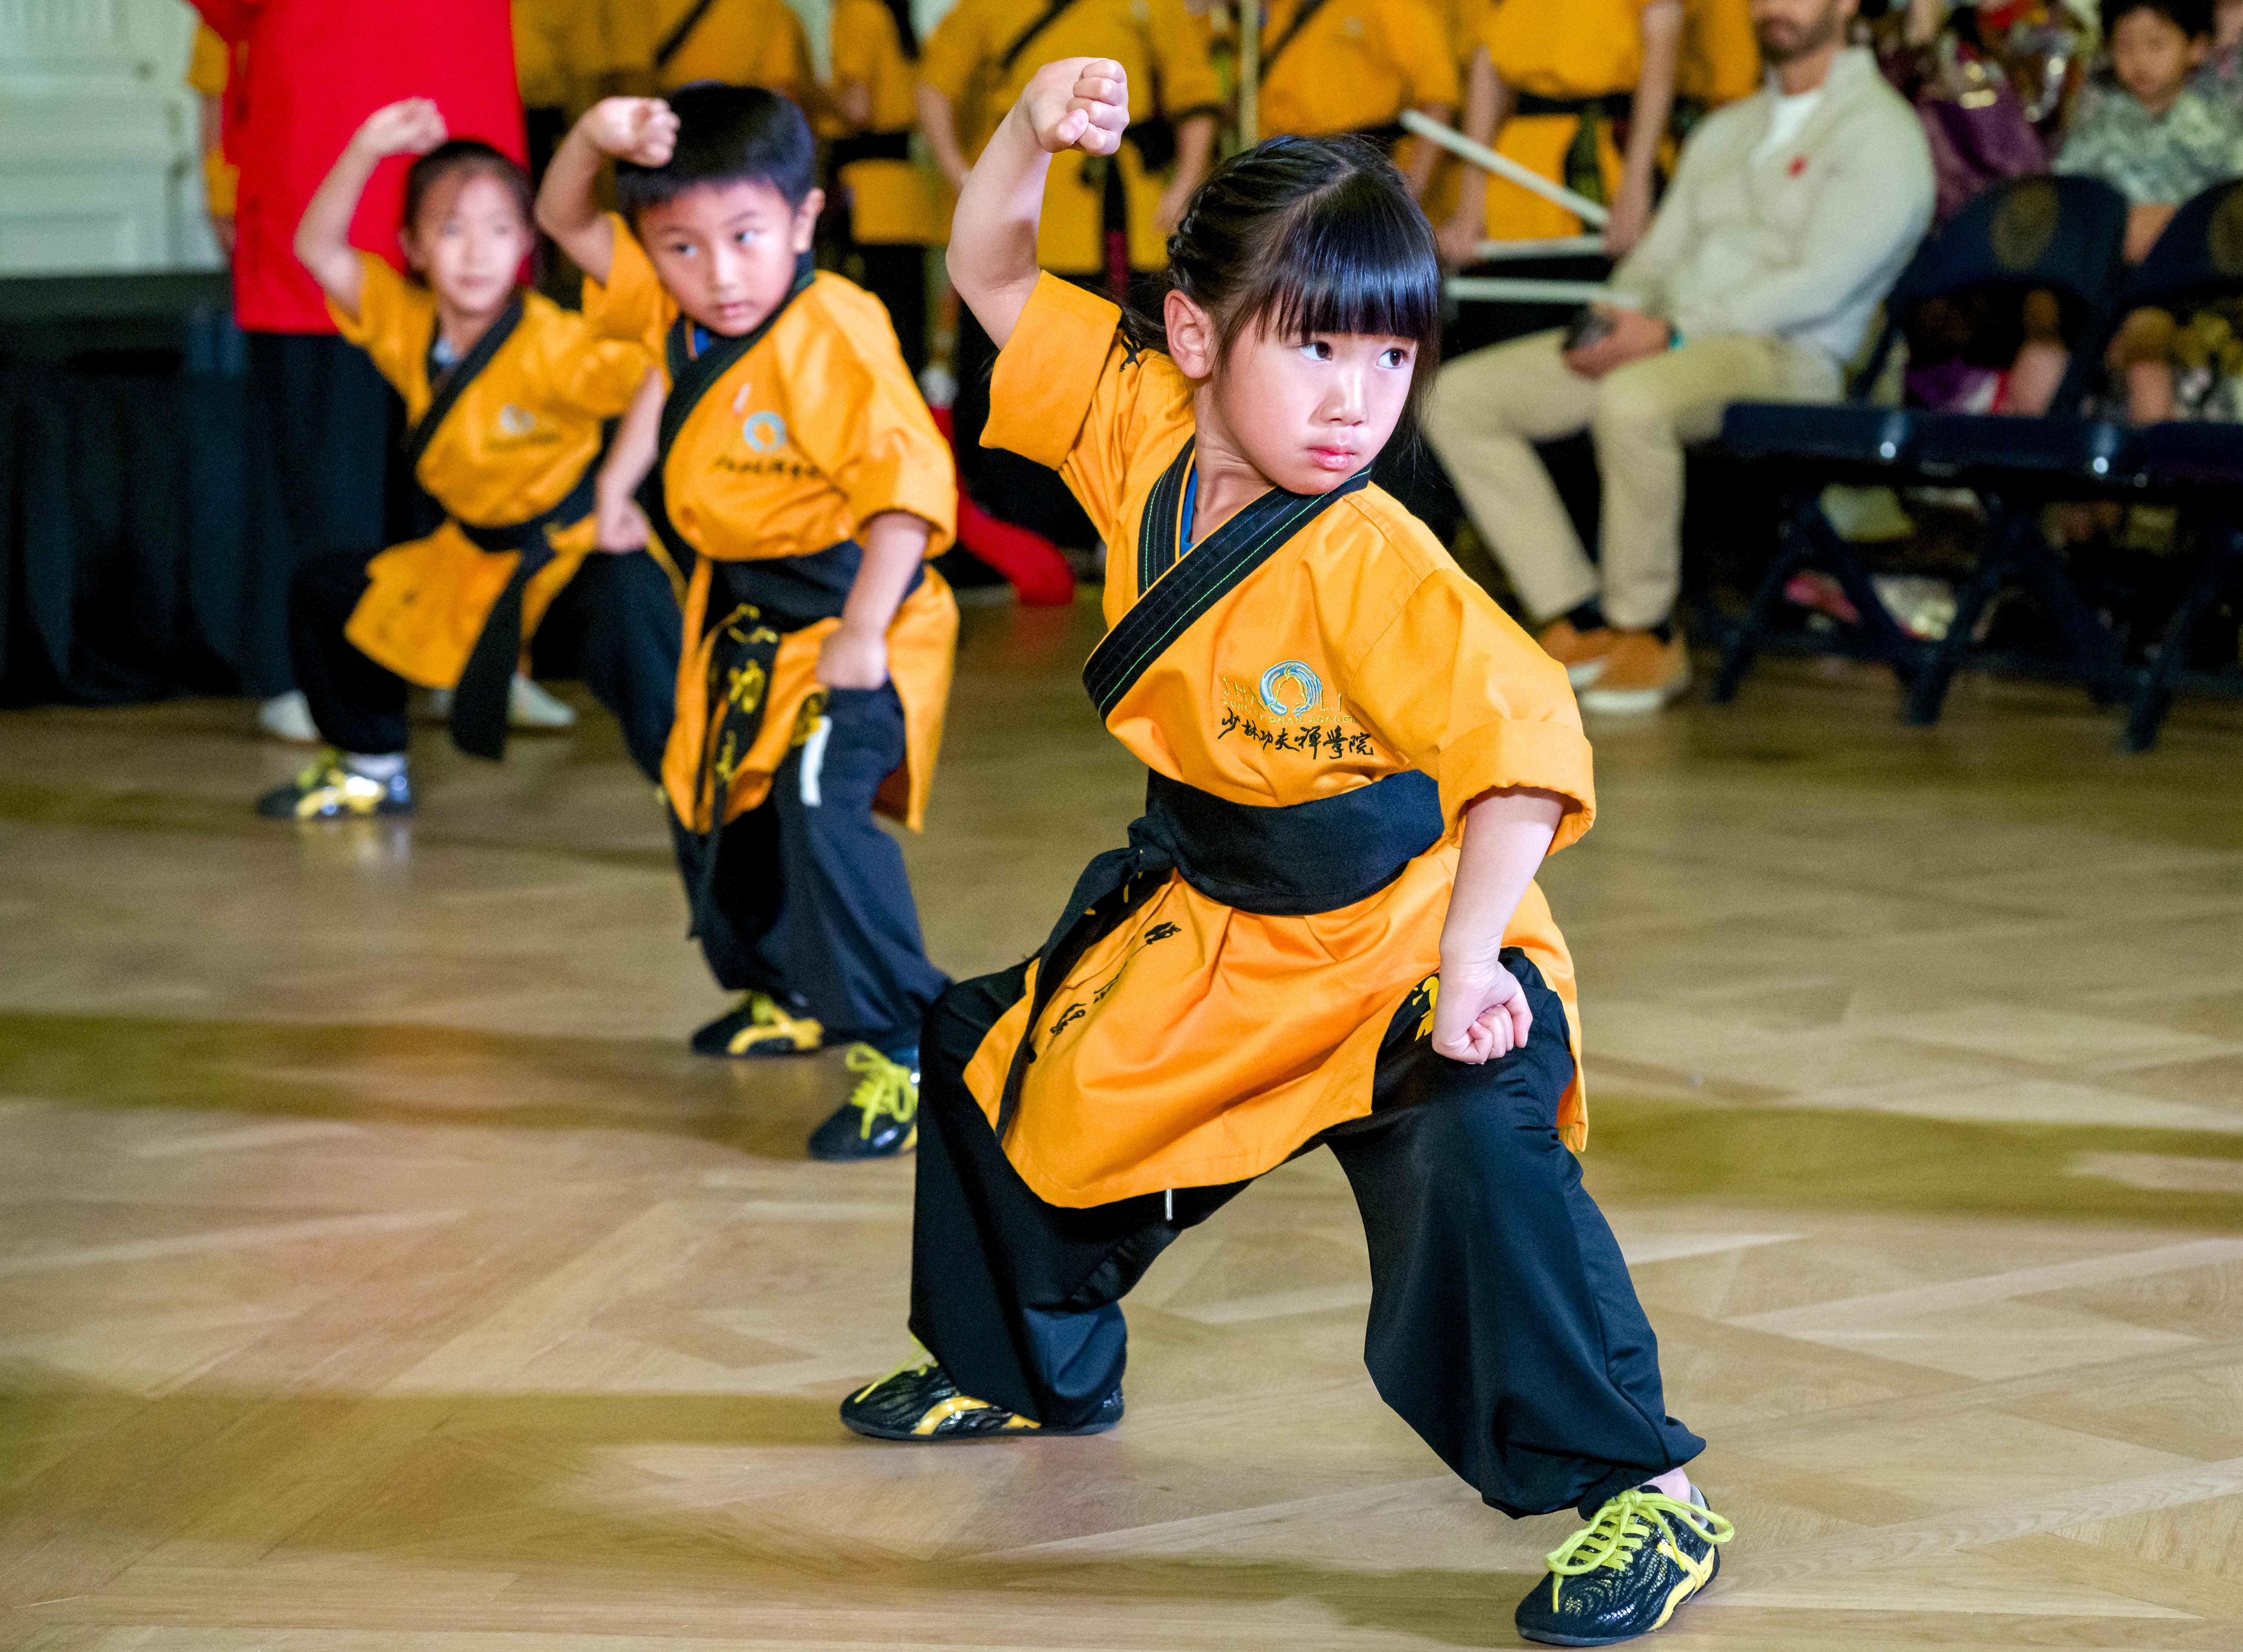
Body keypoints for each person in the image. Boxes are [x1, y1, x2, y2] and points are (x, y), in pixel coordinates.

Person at [842, 56, 1732, 1649]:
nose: (1354, 401)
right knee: (990, 1057)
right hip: (1217, 920)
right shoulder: (1129, 426)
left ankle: (1647, 1501)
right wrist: (1028, 126)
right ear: (1192, 338)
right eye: (1312, 346)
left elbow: (1522, 759)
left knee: (1479, 1155)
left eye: (1390, 355)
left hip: (1403, 941)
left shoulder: (1374, 552)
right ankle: (1021, 1367)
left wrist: (1472, 971)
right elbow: (987, 266)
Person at [538, 86, 960, 1161]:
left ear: (804, 221)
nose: (719, 273)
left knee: (822, 803)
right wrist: (594, 137)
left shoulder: (837, 331)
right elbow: (565, 220)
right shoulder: (668, 311)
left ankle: (910, 1048)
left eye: (745, 237)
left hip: (862, 610)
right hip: (739, 624)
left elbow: (907, 494)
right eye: (681, 247)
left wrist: (864, 633)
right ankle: (789, 992)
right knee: (709, 804)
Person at [1424, 0, 1933, 713]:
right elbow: (1660, 253)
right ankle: (1579, 616)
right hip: (1670, 336)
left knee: (1634, 401)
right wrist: (1618, 314)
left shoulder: (1884, 130)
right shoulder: (1730, 128)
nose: (1772, 9)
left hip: (1790, 356)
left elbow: (1823, 281)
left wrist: (1674, 331)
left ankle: (1648, 631)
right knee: (1460, 397)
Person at [255, 103, 679, 823]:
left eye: (499, 231)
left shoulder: (553, 342)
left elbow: (659, 372)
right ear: (413, 248)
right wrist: (364, 146)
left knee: (632, 601)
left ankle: (703, 794)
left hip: (566, 556)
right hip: (470, 562)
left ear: (524, 246)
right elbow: (318, 248)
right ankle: (371, 768)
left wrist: (615, 489)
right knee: (328, 592)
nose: (477, 253)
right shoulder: (405, 322)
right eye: (451, 230)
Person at [189, 0, 527, 745]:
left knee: (480, 448)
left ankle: (470, 657)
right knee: (324, 452)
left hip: (462, 125)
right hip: (324, 136)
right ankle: (310, 675)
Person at [917, 0, 1224, 554]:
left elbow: (1195, 97)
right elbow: (934, 84)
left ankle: (1130, 528)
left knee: (1137, 381)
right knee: (1013, 381)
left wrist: (1185, 185)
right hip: (1024, 224)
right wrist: (961, 172)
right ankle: (1026, 533)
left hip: (1125, 224)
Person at [2009, 0, 2243, 419]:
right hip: (2097, 270)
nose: (2140, 61)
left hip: (2173, 280)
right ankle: (2021, 446)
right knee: (2044, 311)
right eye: (2125, 46)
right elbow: (2068, 194)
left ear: (2198, 49)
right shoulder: (2099, 125)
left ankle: (2142, 462)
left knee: (2144, 330)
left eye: (2156, 45)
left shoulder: (2218, 128)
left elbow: (2230, 212)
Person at [1438, 0, 1760, 262]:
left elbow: (1659, 71)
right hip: (1518, 165)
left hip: (1611, 158)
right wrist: (1470, 204)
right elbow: (1488, 66)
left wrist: (1636, 186)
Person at [827, 0, 947, 375]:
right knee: (906, 325)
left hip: (865, 190)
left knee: (863, 321)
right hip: (906, 189)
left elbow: (857, 108)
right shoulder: (896, 16)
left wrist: (806, 91)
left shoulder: (857, 11)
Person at [1250, 0, 1461, 201]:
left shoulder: (1398, 6)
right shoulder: (1287, 8)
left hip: (1350, 169)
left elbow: (1436, 104)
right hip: (1280, 165)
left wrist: (1409, 196)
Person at [613, 0, 814, 105]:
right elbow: (779, 94)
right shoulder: (770, 9)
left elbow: (621, 78)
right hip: (729, 136)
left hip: (655, 125)